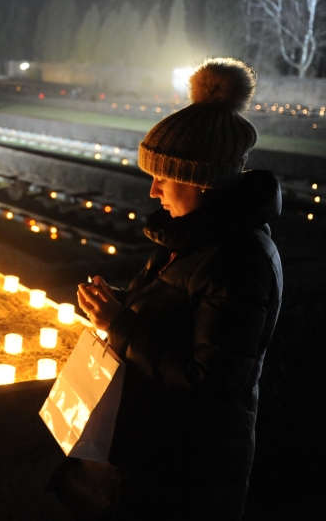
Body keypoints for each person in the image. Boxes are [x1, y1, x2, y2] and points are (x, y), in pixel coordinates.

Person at [51, 59, 282, 520]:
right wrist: (121, 304)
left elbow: (209, 379)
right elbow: (177, 310)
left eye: (163, 176)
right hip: (154, 461)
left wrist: (119, 323)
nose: (154, 191)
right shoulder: (193, 236)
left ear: (202, 180)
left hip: (183, 478)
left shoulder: (238, 259)